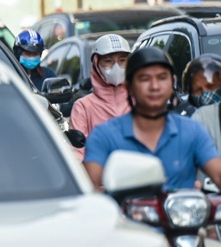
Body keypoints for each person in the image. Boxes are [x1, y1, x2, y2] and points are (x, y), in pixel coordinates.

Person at [84, 47, 221, 192]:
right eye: (144, 79)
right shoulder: (103, 136)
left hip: (182, 212)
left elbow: (217, 174)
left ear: (172, 83)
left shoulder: (192, 130)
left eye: (162, 78)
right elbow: (86, 189)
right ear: (129, 86)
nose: (154, 86)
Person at [69, 34, 131, 160]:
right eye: (108, 61)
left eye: (122, 60)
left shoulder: (140, 101)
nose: (116, 67)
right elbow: (78, 155)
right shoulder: (83, 107)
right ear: (97, 64)